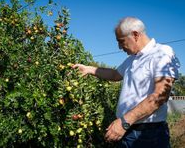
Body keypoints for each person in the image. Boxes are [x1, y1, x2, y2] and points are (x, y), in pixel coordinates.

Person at [72, 17, 180, 148]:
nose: (119, 47)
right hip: (128, 130)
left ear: (135, 35)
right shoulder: (132, 59)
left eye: (121, 41)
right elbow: (115, 74)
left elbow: (160, 95)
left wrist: (124, 122)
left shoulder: (161, 53)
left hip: (147, 135)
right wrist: (89, 69)